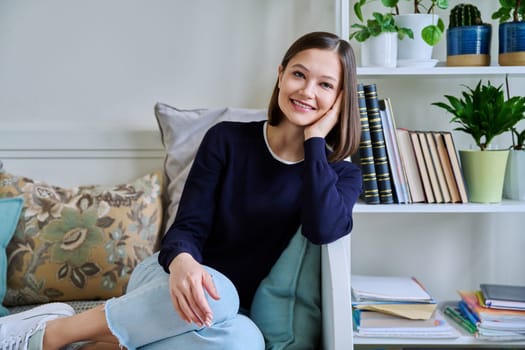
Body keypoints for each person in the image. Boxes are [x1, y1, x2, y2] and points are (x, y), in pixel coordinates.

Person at [0, 31, 362, 350]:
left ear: (340, 98)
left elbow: (323, 228)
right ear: (280, 75)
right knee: (218, 297)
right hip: (170, 278)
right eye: (299, 74)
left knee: (245, 342)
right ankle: (50, 334)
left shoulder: (340, 175)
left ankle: (99, 346)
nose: (306, 91)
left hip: (231, 314)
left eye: (325, 85)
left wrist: (315, 141)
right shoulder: (227, 140)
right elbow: (188, 226)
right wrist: (184, 264)